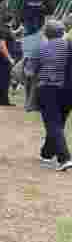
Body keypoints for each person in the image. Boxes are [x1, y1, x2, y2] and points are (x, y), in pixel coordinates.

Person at [35, 20, 72, 171]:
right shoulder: (69, 46)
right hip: (67, 89)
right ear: (63, 32)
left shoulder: (41, 48)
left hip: (47, 88)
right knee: (58, 123)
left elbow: (30, 69)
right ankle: (47, 153)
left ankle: (64, 158)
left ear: (46, 33)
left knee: (52, 123)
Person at [0, 21, 16, 107]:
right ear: (12, 20)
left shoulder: (6, 29)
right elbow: (2, 45)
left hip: (5, 59)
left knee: (6, 80)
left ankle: (4, 100)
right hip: (1, 59)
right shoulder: (3, 30)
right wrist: (9, 58)